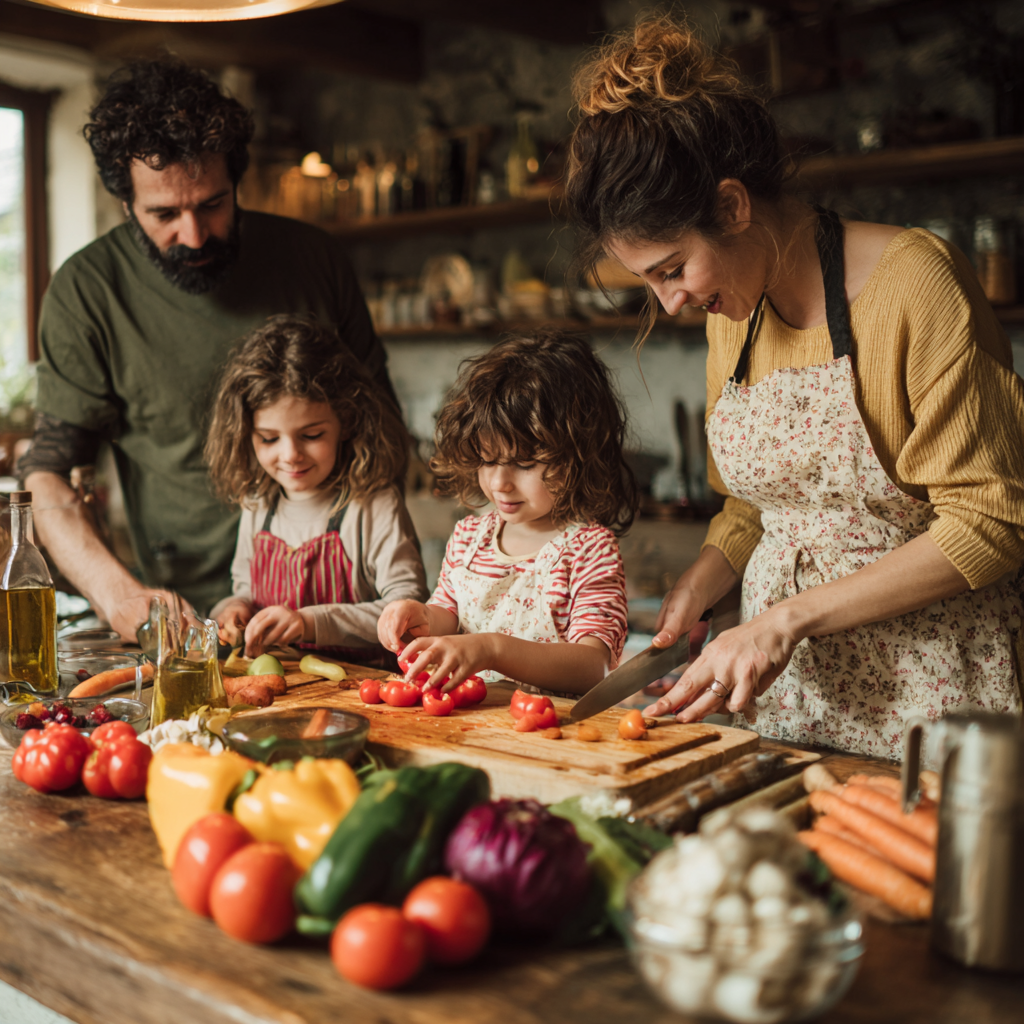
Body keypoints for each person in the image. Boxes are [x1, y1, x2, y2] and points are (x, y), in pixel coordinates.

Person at [563, 16, 1024, 758]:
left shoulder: (915, 285)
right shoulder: (731, 313)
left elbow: (993, 519)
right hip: (791, 701)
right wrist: (704, 580)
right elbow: (756, 506)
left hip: (938, 701)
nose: (670, 303)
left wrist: (783, 621)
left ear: (734, 207)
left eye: (673, 269)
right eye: (650, 282)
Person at [20, 58, 392, 636]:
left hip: (336, 611)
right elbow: (48, 472)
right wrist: (116, 594)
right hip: (181, 609)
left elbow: (382, 429)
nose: (192, 236)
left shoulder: (314, 258)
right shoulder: (87, 290)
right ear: (125, 203)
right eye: (164, 214)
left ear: (235, 181)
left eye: (212, 204)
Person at [377, 331, 637, 694]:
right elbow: (447, 617)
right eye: (487, 460)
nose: (499, 482)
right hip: (472, 726)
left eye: (524, 463)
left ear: (578, 454)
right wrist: (419, 617)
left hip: (551, 734)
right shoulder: (470, 537)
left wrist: (492, 649)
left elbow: (592, 666)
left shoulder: (589, 549)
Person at [206, 316, 426, 660]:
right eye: (268, 438)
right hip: (278, 689)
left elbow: (407, 611)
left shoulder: (372, 505)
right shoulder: (258, 503)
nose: (290, 455)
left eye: (311, 435)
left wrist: (310, 622)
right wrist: (234, 608)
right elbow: (244, 589)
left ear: (347, 421)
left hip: (362, 690)